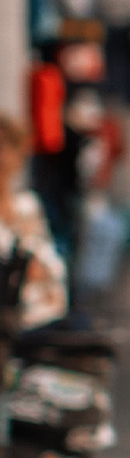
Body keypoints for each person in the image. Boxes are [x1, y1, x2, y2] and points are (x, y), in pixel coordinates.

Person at [0, 113, 68, 333]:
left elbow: (52, 263)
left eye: (7, 146)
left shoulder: (27, 205)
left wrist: (39, 269)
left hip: (35, 319)